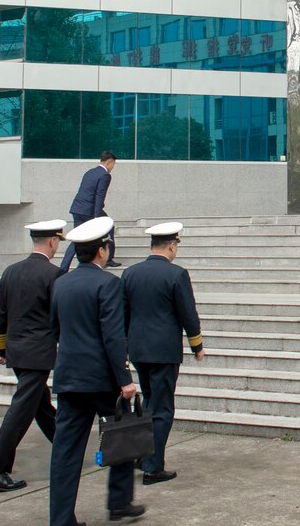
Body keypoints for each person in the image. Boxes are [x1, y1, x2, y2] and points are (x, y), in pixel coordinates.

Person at [48, 216, 144, 525]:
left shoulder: (60, 283)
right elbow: (113, 336)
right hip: (102, 381)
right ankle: (119, 503)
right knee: (123, 437)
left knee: (65, 453)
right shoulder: (108, 283)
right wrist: (125, 380)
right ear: (102, 250)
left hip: (69, 378)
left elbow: (55, 329)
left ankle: (61, 519)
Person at [0, 219, 66, 494]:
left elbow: (0, 314)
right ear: (52, 241)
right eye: (57, 242)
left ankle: (65, 448)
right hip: (38, 355)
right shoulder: (55, 275)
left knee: (40, 405)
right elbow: (59, 318)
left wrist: (1, 348)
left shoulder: (11, 272)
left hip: (17, 352)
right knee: (20, 413)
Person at [121, 222, 205, 486]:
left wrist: (123, 348)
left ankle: (142, 455)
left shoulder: (130, 274)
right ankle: (153, 466)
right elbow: (187, 313)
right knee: (163, 408)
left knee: (149, 404)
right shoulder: (176, 275)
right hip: (164, 352)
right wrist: (197, 345)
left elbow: (122, 315)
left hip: (138, 349)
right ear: (171, 245)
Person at [60, 152, 119, 272]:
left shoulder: (89, 172)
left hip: (77, 209)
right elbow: (99, 196)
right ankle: (108, 259)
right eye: (113, 164)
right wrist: (98, 217)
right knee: (109, 227)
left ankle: (63, 268)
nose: (113, 167)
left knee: (76, 239)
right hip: (90, 210)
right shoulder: (105, 175)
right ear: (109, 162)